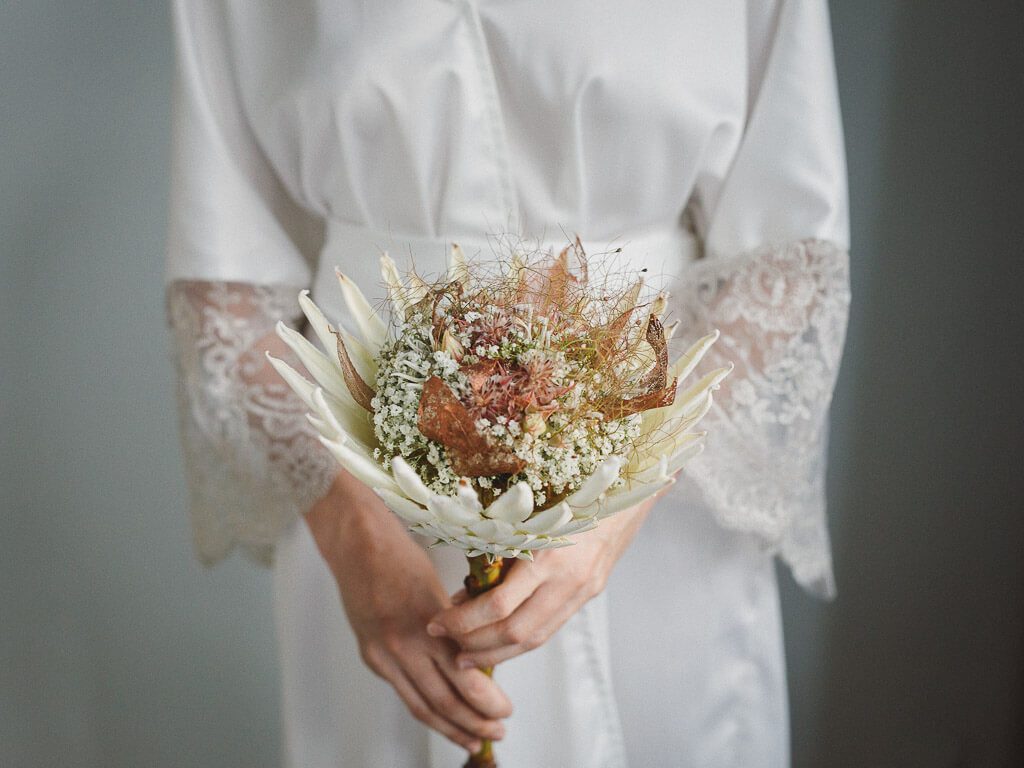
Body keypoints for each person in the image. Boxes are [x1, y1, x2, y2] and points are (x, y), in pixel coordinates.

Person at [165, 1, 850, 766]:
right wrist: (353, 536)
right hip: (364, 490)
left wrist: (620, 503)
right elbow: (226, 273)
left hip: (661, 495)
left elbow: (785, 251)